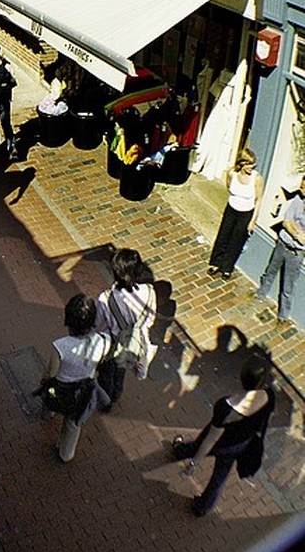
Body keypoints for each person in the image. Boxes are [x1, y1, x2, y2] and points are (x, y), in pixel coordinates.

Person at [171, 354, 275, 516]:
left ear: (241, 377)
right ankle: (202, 507)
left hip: (220, 442)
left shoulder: (225, 406)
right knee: (220, 476)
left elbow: (210, 440)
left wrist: (194, 463)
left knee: (199, 446)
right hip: (240, 444)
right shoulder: (269, 397)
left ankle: (180, 451)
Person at [38, 293, 112, 462]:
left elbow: (52, 374)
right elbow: (102, 359)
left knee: (50, 399)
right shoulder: (103, 340)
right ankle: (66, 454)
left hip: (61, 390)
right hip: (83, 392)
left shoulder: (60, 346)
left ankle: (48, 413)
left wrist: (42, 382)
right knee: (72, 424)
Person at [95, 248, 157, 408]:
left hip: (111, 346)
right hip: (133, 343)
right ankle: (116, 395)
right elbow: (149, 320)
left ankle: (106, 403)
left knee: (106, 375)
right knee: (121, 372)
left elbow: (99, 325)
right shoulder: (149, 292)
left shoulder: (106, 298)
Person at [208, 148, 264, 280]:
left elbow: (259, 200)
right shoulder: (232, 173)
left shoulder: (257, 179)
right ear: (242, 163)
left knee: (236, 241)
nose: (252, 167)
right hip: (231, 209)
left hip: (246, 213)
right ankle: (216, 263)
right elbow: (229, 187)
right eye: (249, 164)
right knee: (223, 236)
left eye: (253, 164)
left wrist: (253, 221)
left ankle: (227, 267)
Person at [256, 174, 305, 322]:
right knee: (270, 270)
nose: (301, 190)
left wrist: (293, 227)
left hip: (296, 253)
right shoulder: (298, 200)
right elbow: (286, 221)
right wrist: (297, 233)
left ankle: (283, 315)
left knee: (288, 286)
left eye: (304, 188)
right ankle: (260, 294)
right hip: (283, 244)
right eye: (302, 186)